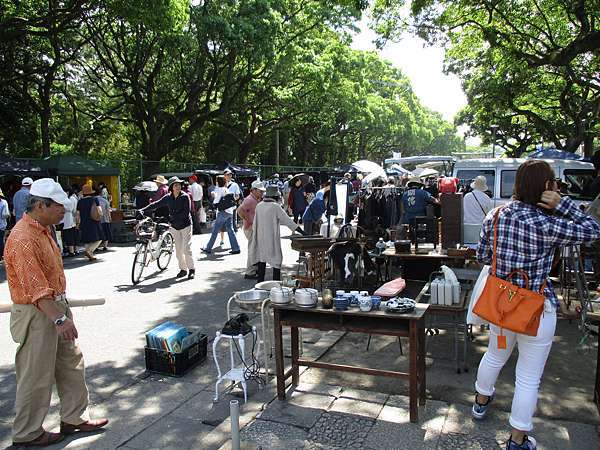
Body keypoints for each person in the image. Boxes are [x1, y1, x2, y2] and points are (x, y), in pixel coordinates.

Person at [471, 160, 600, 450]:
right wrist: (563, 204)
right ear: (546, 187)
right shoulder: (549, 224)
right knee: (528, 378)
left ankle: (480, 403)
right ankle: (517, 440)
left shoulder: (495, 214)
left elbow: (481, 256)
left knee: (494, 356)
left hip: (501, 305)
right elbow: (594, 229)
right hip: (537, 310)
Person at [5, 178, 108, 447]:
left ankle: (74, 417)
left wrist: (61, 313)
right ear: (41, 205)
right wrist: (59, 317)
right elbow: (35, 288)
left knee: (70, 364)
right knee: (36, 373)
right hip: (39, 312)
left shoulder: (42, 230)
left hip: (54, 307)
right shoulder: (23, 238)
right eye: (59, 206)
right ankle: (27, 433)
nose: (64, 211)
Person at [139, 177, 195, 279]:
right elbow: (156, 204)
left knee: (186, 249)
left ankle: (191, 269)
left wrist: (171, 219)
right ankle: (183, 269)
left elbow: (186, 213)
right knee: (178, 251)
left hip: (185, 225)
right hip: (174, 227)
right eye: (175, 185)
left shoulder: (185, 197)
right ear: (171, 187)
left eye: (179, 185)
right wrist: (142, 210)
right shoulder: (168, 197)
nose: (178, 187)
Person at [249, 185, 305, 282]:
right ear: (276, 196)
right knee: (276, 261)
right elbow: (288, 221)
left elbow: (255, 224)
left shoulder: (259, 205)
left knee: (262, 261)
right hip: (271, 240)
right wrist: (303, 232)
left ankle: (260, 284)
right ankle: (276, 285)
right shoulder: (275, 207)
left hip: (261, 239)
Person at [202, 175, 240, 255]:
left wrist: (214, 195)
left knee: (215, 230)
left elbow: (216, 202)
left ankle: (208, 248)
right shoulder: (226, 189)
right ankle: (236, 248)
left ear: (218, 182)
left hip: (222, 212)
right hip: (229, 212)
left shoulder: (218, 189)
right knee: (230, 230)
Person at [237, 180, 265, 279]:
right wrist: (249, 220)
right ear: (253, 190)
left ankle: (253, 269)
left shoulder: (255, 199)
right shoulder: (250, 200)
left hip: (252, 227)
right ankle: (250, 272)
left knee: (254, 249)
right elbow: (239, 211)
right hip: (250, 228)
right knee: (252, 250)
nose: (262, 193)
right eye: (260, 191)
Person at [76, 185, 103, 261]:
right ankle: (89, 250)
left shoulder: (80, 202)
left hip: (84, 223)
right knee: (100, 238)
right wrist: (100, 215)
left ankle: (90, 254)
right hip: (94, 221)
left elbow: (77, 214)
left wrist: (77, 223)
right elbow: (99, 211)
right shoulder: (94, 200)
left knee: (87, 239)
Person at [61, 187, 79, 257]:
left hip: (68, 220)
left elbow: (70, 208)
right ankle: (75, 250)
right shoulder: (74, 198)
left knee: (69, 235)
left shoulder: (70, 199)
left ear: (67, 192)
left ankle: (71, 251)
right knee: (73, 235)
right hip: (72, 220)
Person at [0, 188, 10, 260]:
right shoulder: (3, 202)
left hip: (1, 224)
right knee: (1, 240)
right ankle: (1, 255)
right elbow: (5, 214)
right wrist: (9, 215)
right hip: (1, 225)